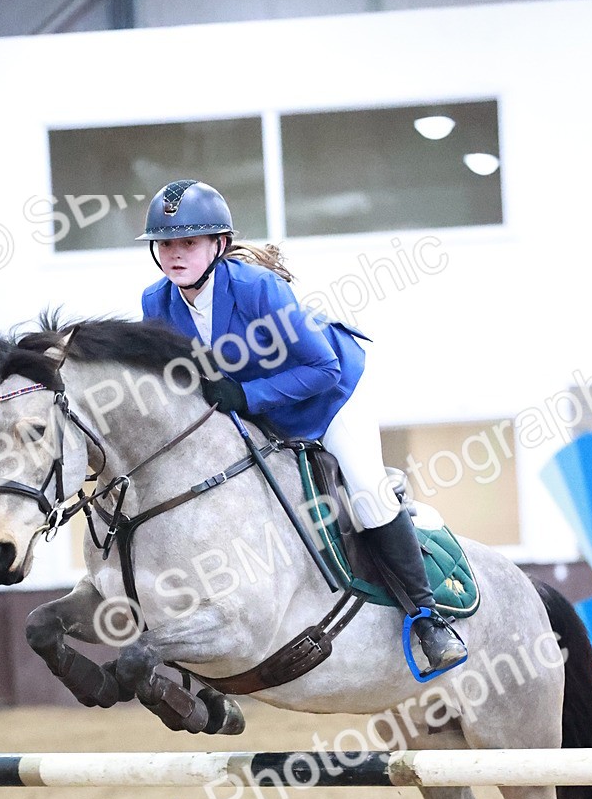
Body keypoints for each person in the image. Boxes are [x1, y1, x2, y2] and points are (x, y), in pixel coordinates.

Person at [138, 179, 465, 671]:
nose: (174, 255)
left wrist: (246, 395)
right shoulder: (156, 302)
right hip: (262, 411)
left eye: (189, 242)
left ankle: (427, 617)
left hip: (332, 399)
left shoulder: (257, 289)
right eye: (165, 244)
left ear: (219, 245)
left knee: (365, 490)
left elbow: (322, 369)